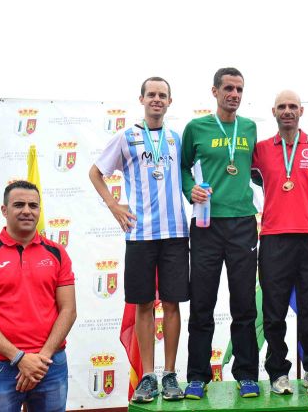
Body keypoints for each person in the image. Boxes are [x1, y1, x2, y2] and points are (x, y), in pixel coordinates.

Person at [89, 77, 189, 402]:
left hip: (175, 233)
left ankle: (170, 373)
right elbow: (95, 172)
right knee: (144, 304)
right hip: (141, 234)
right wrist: (114, 206)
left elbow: (194, 177)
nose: (157, 100)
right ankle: (148, 376)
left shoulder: (177, 139)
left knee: (172, 304)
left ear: (170, 102)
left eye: (163, 95)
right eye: (152, 95)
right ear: (142, 99)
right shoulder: (126, 137)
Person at [0, 181, 77, 411]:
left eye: (33, 205)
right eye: (19, 204)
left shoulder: (56, 252)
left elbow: (69, 310)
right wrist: (20, 358)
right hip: (0, 366)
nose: (27, 210)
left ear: (39, 210)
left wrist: (40, 360)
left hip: (49, 364)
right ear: (4, 210)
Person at [251, 90, 308, 396]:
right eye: (282, 107)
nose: (287, 111)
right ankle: (278, 374)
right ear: (273, 111)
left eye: (292, 107)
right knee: (273, 312)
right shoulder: (260, 149)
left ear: (301, 110)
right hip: (273, 238)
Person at [180, 67, 260, 399]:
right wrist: (191, 190)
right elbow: (183, 168)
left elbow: (259, 170)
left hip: (243, 223)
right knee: (202, 303)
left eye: (239, 89)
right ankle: (198, 376)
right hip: (206, 224)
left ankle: (246, 374)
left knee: (244, 304)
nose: (234, 94)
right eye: (228, 88)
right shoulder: (195, 128)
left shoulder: (250, 128)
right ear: (214, 92)